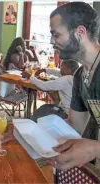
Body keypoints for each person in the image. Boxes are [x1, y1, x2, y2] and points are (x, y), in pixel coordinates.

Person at [47, 2, 100, 170]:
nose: (51, 41)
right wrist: (30, 132)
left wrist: (94, 148)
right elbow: (74, 125)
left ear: (80, 32)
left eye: (56, 34)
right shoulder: (79, 77)